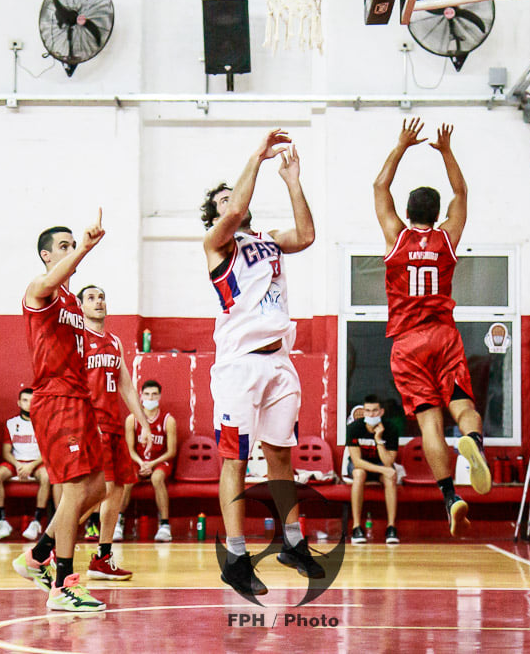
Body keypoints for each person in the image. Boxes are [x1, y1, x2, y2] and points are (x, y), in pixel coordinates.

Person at [201, 128, 319, 597]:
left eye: (239, 192)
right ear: (215, 214)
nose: (236, 200)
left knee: (280, 455)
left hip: (279, 362)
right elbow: (232, 210)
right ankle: (234, 555)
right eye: (226, 197)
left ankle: (292, 542)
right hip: (238, 366)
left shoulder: (267, 240)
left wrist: (291, 181)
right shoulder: (216, 244)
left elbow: (307, 235)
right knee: (235, 459)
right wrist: (256, 155)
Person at [373, 118, 492, 538]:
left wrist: (401, 145)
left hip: (408, 342)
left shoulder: (396, 238)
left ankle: (449, 496)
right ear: (437, 214)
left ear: (407, 214)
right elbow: (462, 192)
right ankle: (473, 445)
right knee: (462, 405)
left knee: (429, 423)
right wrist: (445, 151)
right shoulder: (446, 239)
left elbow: (378, 188)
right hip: (444, 334)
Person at [12, 216, 112, 612]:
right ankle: (63, 583)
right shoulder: (40, 290)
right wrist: (85, 247)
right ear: (46, 255)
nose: (72, 250)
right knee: (73, 491)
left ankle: (37, 555)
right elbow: (50, 280)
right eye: (64, 246)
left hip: (79, 398)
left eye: (74, 244)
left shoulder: (73, 302)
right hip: (55, 400)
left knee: (99, 487)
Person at [77, 285, 151, 580]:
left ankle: (102, 557)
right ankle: (50, 547)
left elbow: (127, 387)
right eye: (92, 298)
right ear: (80, 306)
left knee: (117, 491)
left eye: (102, 297)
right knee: (98, 491)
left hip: (113, 425)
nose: (99, 302)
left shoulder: (114, 341)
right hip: (90, 426)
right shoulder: (78, 340)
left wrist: (142, 421)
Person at [0, 387, 52, 541]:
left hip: (37, 463)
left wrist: (31, 466)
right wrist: (18, 464)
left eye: (32, 401)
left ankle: (37, 521)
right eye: (25, 400)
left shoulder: (45, 423)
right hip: (16, 461)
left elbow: (48, 452)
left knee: (46, 476)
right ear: (19, 402)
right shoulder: (11, 423)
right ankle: (2, 520)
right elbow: (6, 452)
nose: (29, 404)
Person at [121, 379, 178, 543]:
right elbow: (129, 450)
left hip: (159, 461)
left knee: (157, 478)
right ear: (141, 395)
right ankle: (118, 520)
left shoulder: (168, 420)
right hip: (138, 461)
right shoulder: (132, 419)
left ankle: (165, 525)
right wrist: (140, 463)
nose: (150, 398)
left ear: (159, 396)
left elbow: (171, 451)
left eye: (154, 394)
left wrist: (151, 464)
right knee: (127, 479)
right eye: (147, 394)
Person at [346, 397, 400, 544]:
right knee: (359, 474)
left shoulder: (391, 429)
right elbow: (357, 461)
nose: (371, 414)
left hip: (381, 463)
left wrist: (378, 439)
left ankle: (391, 528)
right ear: (364, 412)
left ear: (381, 412)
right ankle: (356, 527)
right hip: (361, 465)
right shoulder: (353, 428)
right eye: (367, 411)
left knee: (390, 477)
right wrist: (383, 469)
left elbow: (389, 461)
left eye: (375, 410)